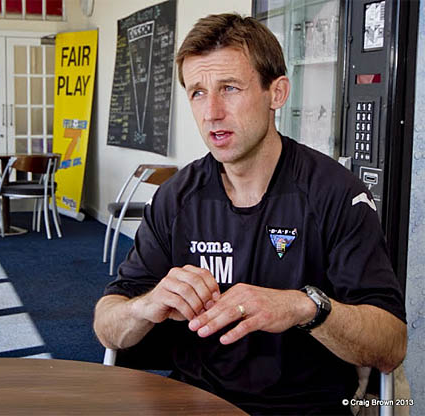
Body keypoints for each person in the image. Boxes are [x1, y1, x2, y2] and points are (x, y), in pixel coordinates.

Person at [94, 13, 406, 415]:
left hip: (304, 407)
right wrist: (146, 305)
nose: (211, 112)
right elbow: (108, 324)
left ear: (277, 93)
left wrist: (304, 308)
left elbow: (390, 345)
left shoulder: (336, 194)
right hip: (194, 400)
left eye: (229, 88)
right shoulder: (176, 199)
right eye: (198, 93)